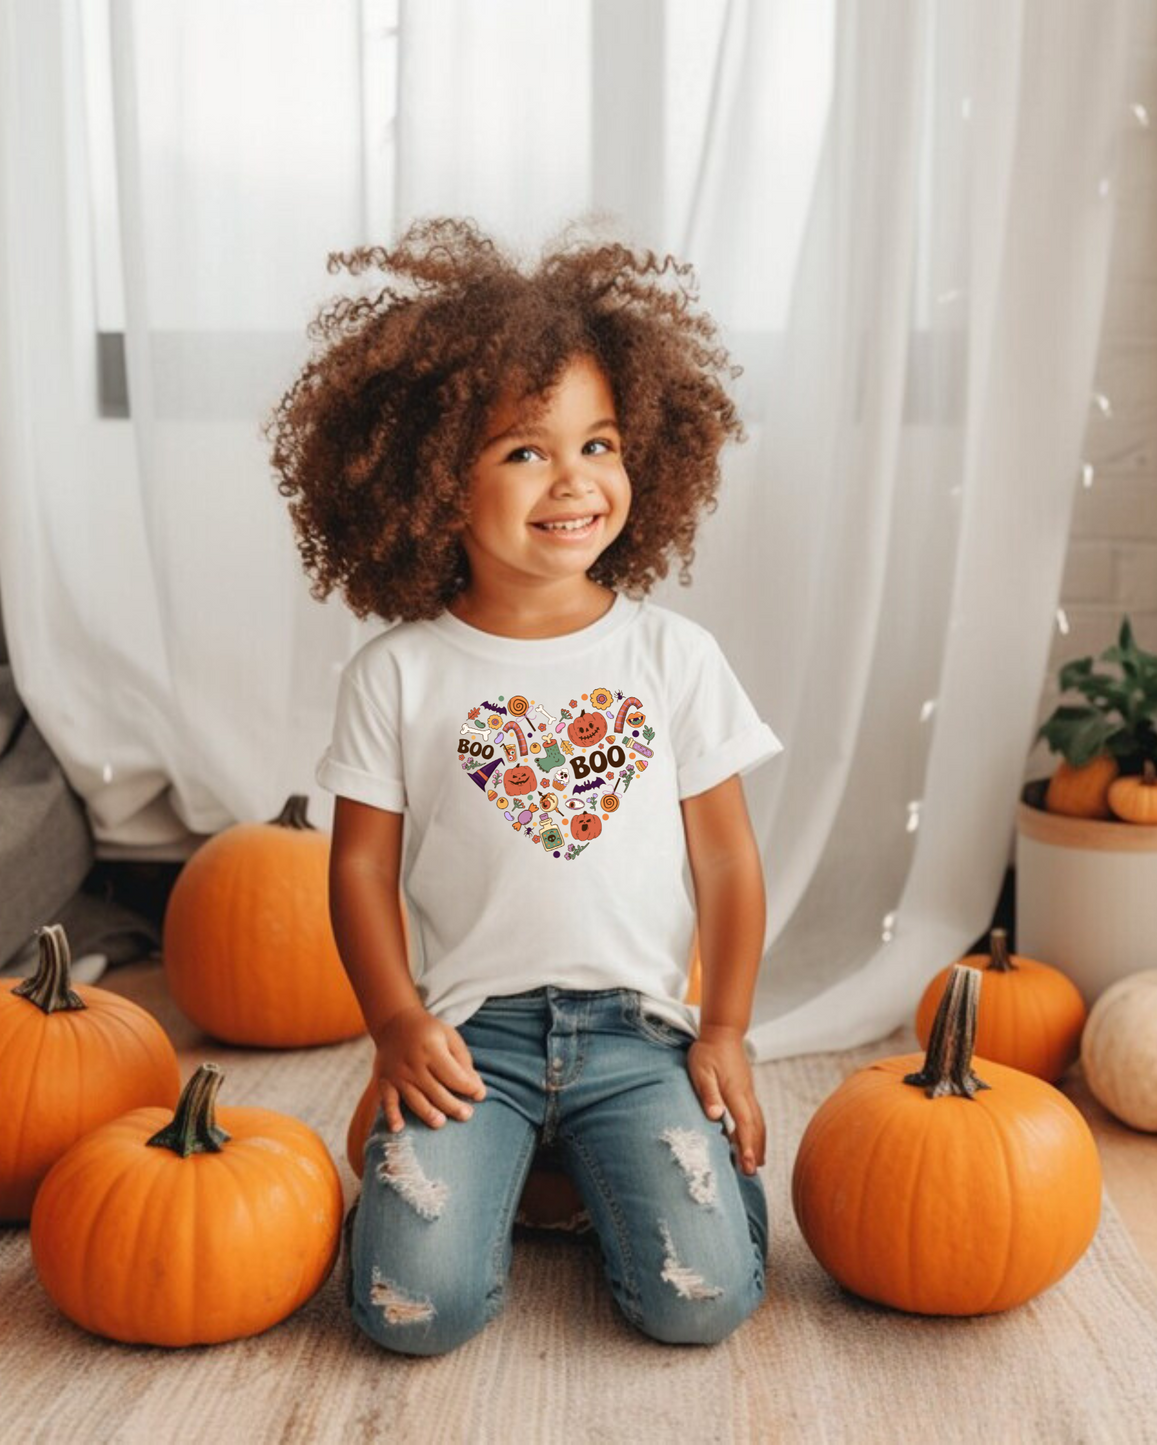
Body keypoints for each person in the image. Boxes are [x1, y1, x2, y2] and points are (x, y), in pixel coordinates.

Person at [266, 215, 784, 1356]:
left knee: (699, 1300)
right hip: (470, 1042)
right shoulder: (399, 672)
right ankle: (518, 1165)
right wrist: (395, 1024)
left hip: (638, 1033)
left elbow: (727, 858)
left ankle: (587, 1168)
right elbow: (359, 867)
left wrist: (729, 1027)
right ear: (430, 480)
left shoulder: (671, 658)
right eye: (523, 451)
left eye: (599, 444)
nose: (574, 481)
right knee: (411, 1309)